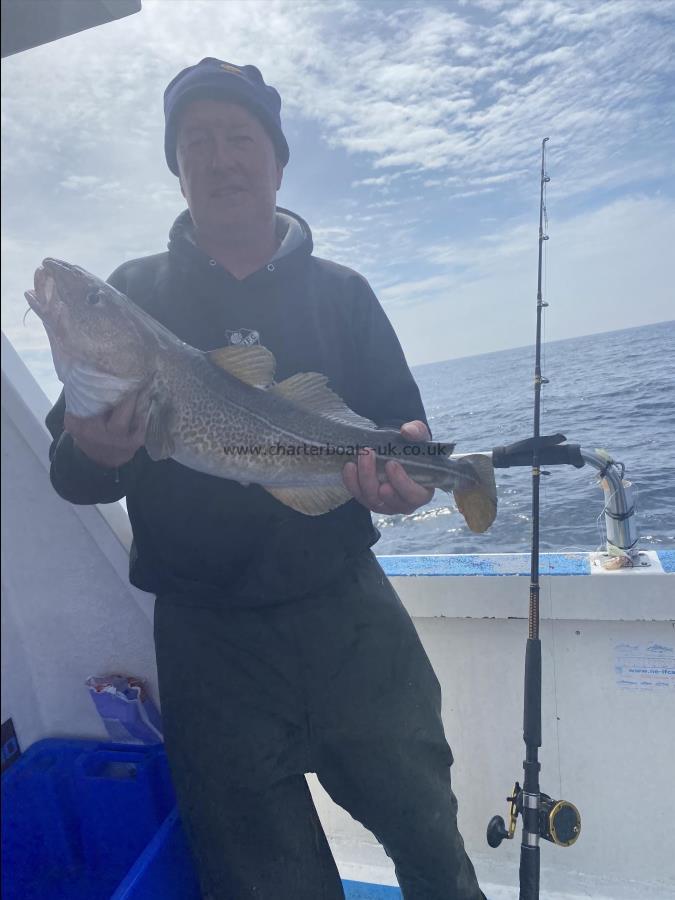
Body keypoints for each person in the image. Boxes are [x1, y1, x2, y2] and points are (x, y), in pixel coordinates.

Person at [46, 58, 485, 900]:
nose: (220, 159)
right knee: (260, 882)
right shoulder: (136, 293)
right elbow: (73, 477)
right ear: (176, 170)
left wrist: (417, 481)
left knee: (431, 841)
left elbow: (401, 432)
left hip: (346, 613)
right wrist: (98, 452)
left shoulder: (343, 294)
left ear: (277, 160)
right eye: (195, 143)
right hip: (207, 638)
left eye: (239, 138)